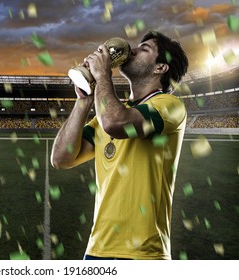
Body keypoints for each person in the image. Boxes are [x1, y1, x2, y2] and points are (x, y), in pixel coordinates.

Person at [51, 31, 189, 260]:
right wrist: (84, 100)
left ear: (160, 68)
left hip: (143, 254)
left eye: (144, 49)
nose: (132, 50)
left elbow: (117, 123)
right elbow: (61, 159)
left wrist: (104, 75)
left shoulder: (170, 106)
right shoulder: (106, 115)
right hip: (97, 250)